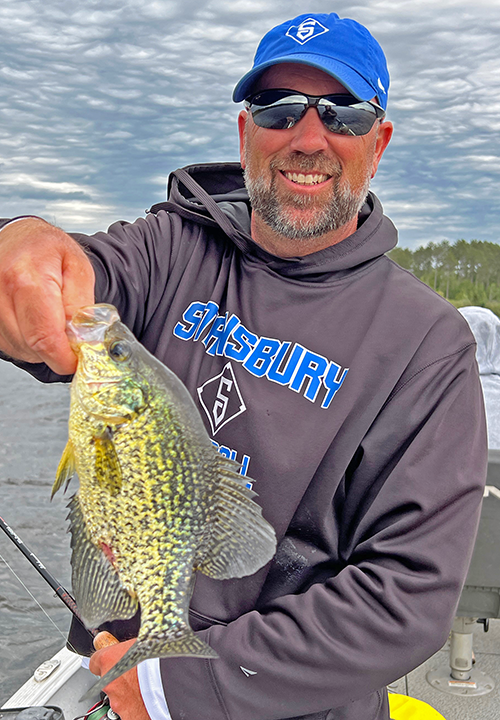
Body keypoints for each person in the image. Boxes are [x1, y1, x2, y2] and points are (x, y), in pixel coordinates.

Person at [0, 12, 487, 720]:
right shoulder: (169, 248)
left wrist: (176, 686)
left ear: (377, 144)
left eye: (343, 113)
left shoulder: (426, 343)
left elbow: (407, 595)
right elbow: (66, 286)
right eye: (279, 108)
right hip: (116, 672)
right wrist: (22, 247)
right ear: (245, 131)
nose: (308, 137)